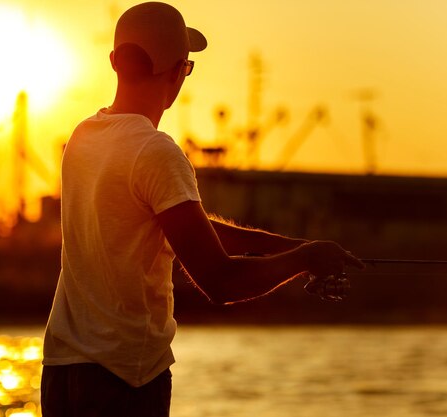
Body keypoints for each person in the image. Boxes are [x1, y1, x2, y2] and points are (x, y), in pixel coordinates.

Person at [40, 2, 363, 416]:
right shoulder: (155, 152)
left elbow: (179, 227)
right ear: (177, 73)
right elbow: (220, 280)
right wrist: (303, 260)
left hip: (61, 375)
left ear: (115, 63)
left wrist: (294, 246)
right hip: (124, 379)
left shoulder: (84, 138)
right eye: (188, 69)